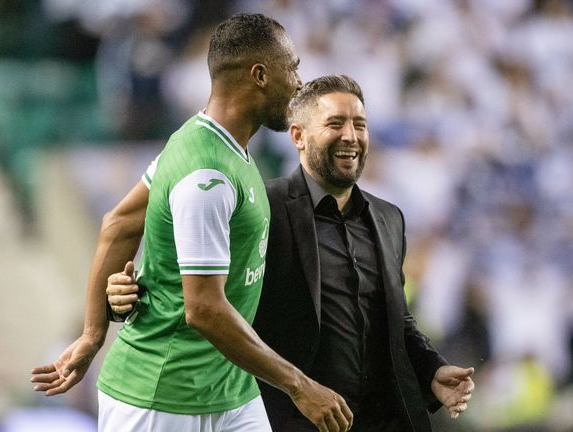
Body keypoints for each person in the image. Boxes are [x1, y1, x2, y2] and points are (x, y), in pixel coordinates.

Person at [31, 14, 354, 432]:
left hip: (229, 392)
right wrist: (298, 385)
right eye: (291, 67)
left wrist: (94, 333)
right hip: (161, 397)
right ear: (259, 75)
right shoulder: (206, 175)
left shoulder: (202, 143)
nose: (298, 81)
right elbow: (203, 308)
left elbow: (120, 223)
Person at [107, 75, 475, 431]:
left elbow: (396, 322)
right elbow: (199, 291)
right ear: (298, 136)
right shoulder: (261, 207)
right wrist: (124, 297)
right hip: (292, 416)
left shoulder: (389, 218)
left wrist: (432, 371)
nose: (351, 136)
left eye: (360, 125)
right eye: (335, 123)